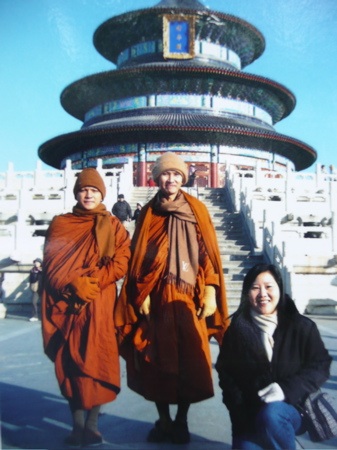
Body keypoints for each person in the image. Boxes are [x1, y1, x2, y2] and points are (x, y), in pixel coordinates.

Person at [115, 152, 228, 444]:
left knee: (189, 360)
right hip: (156, 298)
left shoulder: (197, 210)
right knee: (155, 360)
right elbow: (138, 257)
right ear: (156, 177)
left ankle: (181, 420)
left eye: (177, 174)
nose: (171, 179)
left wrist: (211, 289)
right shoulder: (149, 213)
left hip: (188, 298)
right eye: (166, 174)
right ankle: (163, 419)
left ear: (184, 177)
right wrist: (140, 294)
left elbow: (208, 253)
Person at [41, 168, 131, 447]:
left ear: (102, 193)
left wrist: (93, 283)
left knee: (98, 357)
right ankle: (77, 424)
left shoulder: (113, 225)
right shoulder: (61, 224)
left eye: (93, 190)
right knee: (70, 359)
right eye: (83, 190)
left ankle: (92, 423)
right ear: (76, 193)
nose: (88, 194)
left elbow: (121, 261)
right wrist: (74, 286)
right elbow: (52, 264)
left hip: (100, 300)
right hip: (68, 303)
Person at [216, 263, 332, 450]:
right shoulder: (236, 330)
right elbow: (226, 374)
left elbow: (320, 365)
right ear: (247, 293)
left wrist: (285, 389)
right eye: (255, 288)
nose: (263, 294)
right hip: (249, 414)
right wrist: (238, 412)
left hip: (292, 408)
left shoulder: (300, 326)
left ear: (280, 288)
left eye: (269, 287)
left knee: (272, 415)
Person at [28, 258, 43, 322]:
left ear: (40, 263)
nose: (36, 263)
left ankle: (44, 316)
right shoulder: (32, 270)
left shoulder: (43, 270)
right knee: (34, 302)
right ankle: (35, 316)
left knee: (44, 303)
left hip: (43, 289)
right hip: (36, 289)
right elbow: (31, 280)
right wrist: (34, 274)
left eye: (38, 262)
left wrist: (41, 271)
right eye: (35, 262)